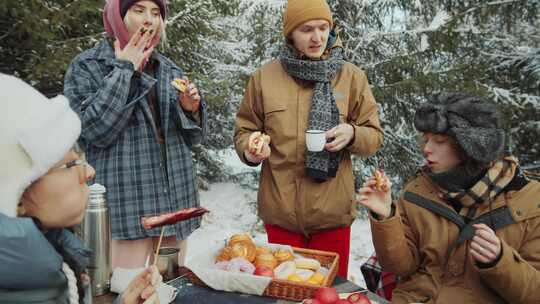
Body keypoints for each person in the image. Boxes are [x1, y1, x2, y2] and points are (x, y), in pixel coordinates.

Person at [234, 0, 383, 277]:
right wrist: (250, 149)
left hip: (332, 217)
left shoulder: (351, 77)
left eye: (323, 28)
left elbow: (374, 135)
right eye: (306, 29)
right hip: (281, 215)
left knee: (328, 292)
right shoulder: (264, 79)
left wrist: (352, 133)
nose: (317, 37)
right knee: (285, 290)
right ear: (290, 33)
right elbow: (244, 130)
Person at [357, 92, 540, 303]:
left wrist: (500, 262)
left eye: (439, 141)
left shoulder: (531, 202)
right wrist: (386, 216)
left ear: (470, 147)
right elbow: (400, 267)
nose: (426, 149)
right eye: (425, 140)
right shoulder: (419, 189)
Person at [64, 0, 207, 269]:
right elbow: (94, 130)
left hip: (173, 204)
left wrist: (191, 110)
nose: (149, 20)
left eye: (156, 13)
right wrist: (124, 69)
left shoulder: (168, 69)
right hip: (125, 207)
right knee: (121, 292)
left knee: (169, 289)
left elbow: (192, 139)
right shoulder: (87, 66)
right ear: (117, 16)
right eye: (138, 10)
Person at [0, 73, 161, 304]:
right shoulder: (20, 287)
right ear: (15, 197)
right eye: (69, 165)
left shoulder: (40, 264)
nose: (88, 172)